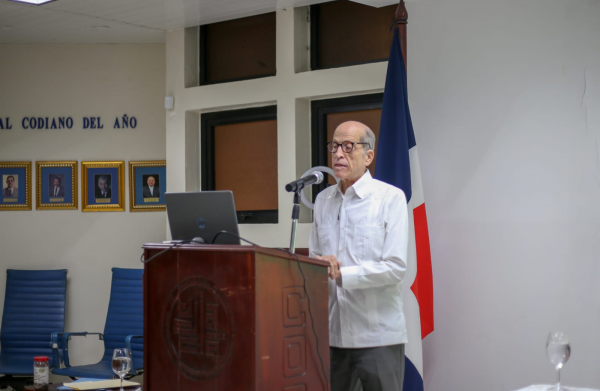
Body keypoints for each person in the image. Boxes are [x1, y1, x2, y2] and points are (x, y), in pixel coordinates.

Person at [309, 121, 409, 391]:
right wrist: (317, 264)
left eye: (348, 146)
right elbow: (314, 257)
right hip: (332, 334)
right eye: (334, 146)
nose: (338, 153)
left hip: (377, 335)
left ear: (369, 156)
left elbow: (395, 267)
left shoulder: (390, 199)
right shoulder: (323, 201)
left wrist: (343, 275)